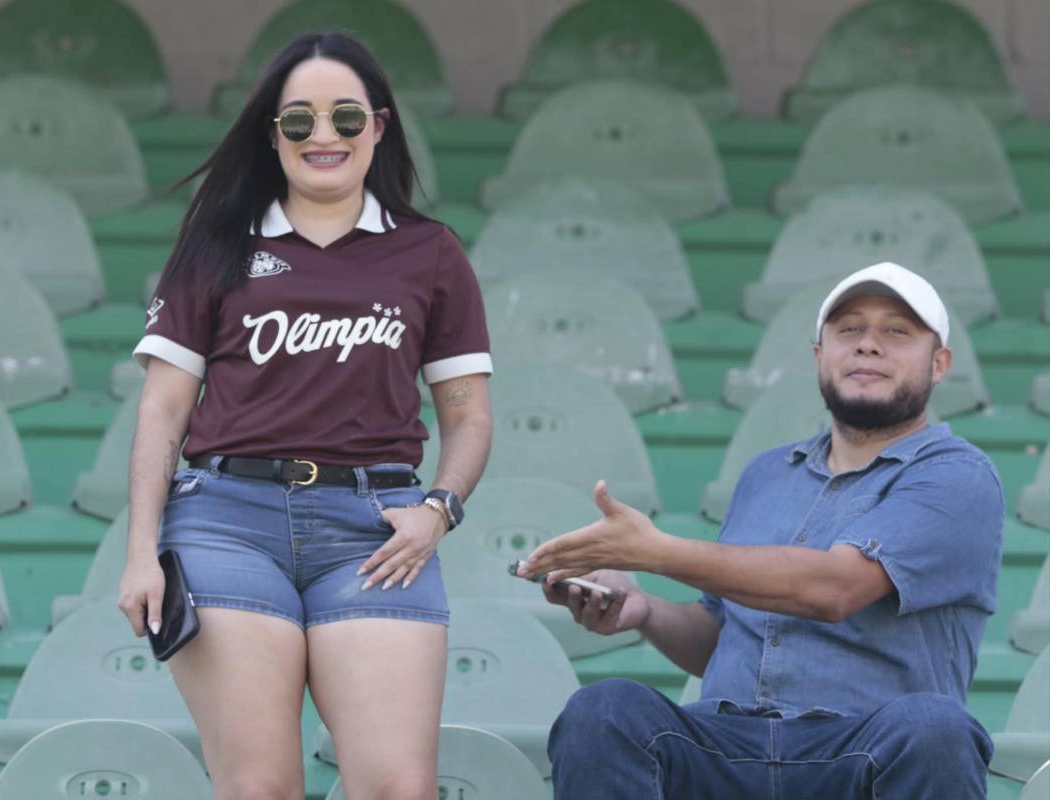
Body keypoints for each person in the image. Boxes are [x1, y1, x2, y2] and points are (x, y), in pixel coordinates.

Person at [116, 33, 492, 800]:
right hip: (227, 525)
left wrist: (439, 510)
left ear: (379, 128)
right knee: (260, 789)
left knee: (398, 789)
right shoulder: (215, 246)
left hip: (378, 531)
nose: (324, 136)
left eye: (346, 118)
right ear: (273, 133)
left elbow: (470, 416)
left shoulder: (431, 254)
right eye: (300, 122)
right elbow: (162, 411)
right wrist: (140, 550)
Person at [518, 262, 1002, 799]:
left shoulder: (958, 474)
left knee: (936, 728)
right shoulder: (766, 474)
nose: (868, 345)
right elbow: (720, 639)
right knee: (603, 710)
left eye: (896, 331)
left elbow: (835, 588)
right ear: (821, 356)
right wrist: (645, 610)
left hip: (864, 748)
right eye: (848, 330)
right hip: (727, 745)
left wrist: (655, 552)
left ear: (939, 365)